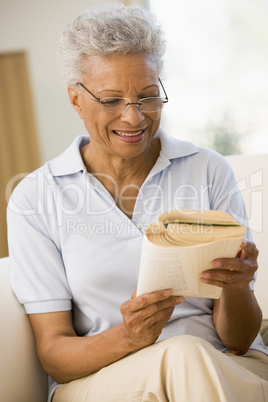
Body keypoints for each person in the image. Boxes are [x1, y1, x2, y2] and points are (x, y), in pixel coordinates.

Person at [7, 3, 268, 402]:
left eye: (147, 97)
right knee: (183, 354)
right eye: (112, 100)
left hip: (222, 363)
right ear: (76, 100)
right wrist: (127, 337)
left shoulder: (207, 169)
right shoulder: (35, 198)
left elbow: (238, 340)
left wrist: (236, 288)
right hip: (105, 379)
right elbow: (54, 356)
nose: (134, 118)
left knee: (191, 355)